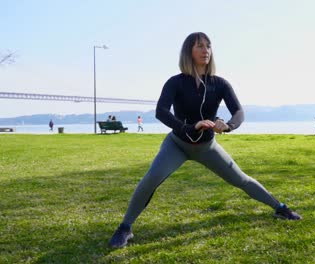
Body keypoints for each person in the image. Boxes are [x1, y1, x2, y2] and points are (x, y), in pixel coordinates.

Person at [109, 32, 302, 249]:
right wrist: (190, 127)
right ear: (188, 51)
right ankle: (125, 228)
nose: (206, 50)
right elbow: (161, 112)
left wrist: (228, 125)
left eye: (208, 46)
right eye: (200, 46)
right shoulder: (175, 82)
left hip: (207, 147)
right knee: (152, 177)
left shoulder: (220, 84)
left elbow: (238, 111)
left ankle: (280, 207)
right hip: (177, 144)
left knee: (241, 180)